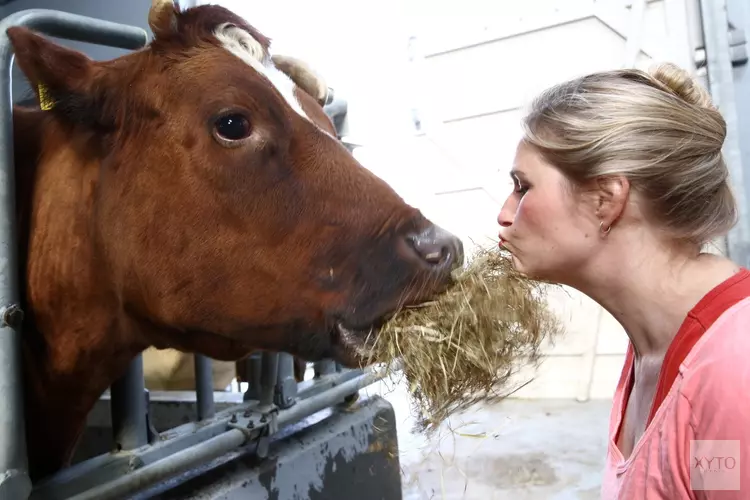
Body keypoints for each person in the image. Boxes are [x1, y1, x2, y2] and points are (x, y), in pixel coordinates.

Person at [497, 62, 750, 499]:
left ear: (606, 199)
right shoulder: (654, 345)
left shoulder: (733, 370)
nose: (505, 213)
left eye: (523, 187)